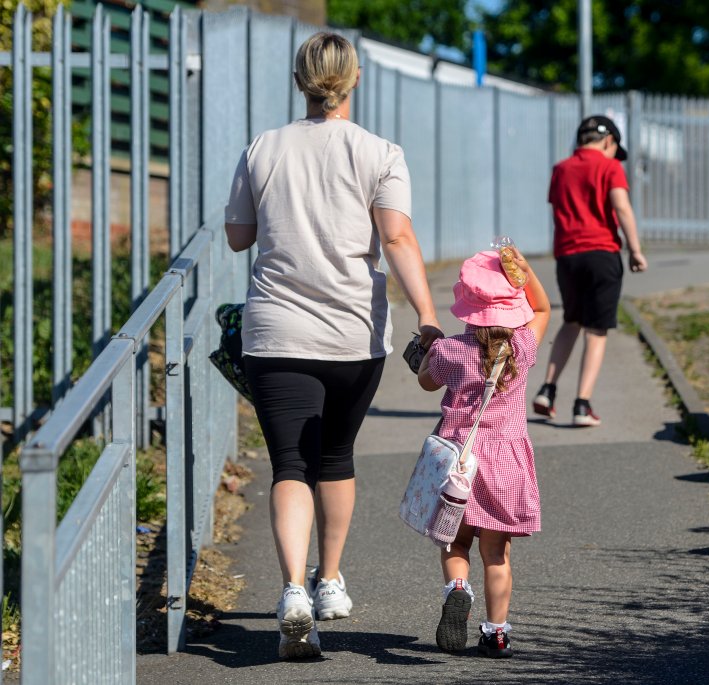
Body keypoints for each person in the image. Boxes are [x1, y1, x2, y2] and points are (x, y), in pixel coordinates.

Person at [224, 32, 442, 660]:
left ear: (300, 79)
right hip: (353, 334)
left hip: (276, 332)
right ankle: (329, 580)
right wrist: (426, 316)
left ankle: (292, 591)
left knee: (290, 462)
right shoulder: (381, 152)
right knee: (337, 455)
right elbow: (397, 239)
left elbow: (240, 236)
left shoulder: (262, 148)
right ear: (355, 79)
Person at [417, 247, 550, 658]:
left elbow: (425, 382)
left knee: (455, 545)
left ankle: (458, 588)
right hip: (505, 465)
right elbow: (543, 309)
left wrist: (430, 345)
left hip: (459, 463)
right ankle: (496, 632)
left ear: (467, 308)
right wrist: (524, 272)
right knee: (497, 553)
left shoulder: (450, 352)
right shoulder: (523, 348)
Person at [533, 114, 648, 427]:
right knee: (596, 331)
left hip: (568, 257)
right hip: (601, 254)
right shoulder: (610, 167)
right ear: (609, 141)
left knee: (571, 321)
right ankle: (582, 405)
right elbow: (621, 207)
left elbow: (558, 211)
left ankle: (547, 389)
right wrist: (635, 250)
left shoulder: (560, 170)